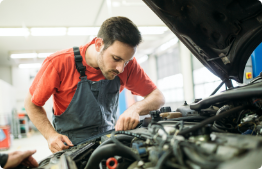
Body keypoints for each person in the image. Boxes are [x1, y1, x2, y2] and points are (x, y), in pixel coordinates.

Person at [24, 16, 165, 153]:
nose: (121, 68)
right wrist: (51, 135)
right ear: (98, 44)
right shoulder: (58, 63)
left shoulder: (127, 66)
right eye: (116, 58)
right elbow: (31, 103)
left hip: (109, 139)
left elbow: (158, 97)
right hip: (70, 147)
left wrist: (135, 109)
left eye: (126, 61)